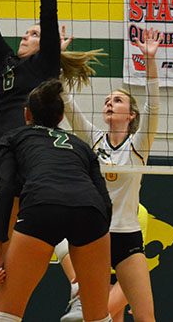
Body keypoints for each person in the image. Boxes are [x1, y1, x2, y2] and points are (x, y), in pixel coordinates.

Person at [0, 0, 101, 322]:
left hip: (34, 160)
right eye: (27, 34)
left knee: (25, 238)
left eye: (34, 34)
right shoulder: (6, 64)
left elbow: (49, 10)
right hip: (6, 160)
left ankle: (78, 283)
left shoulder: (45, 65)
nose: (28, 35)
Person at [0, 78, 113, 322]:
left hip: (42, 207)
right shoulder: (81, 146)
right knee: (98, 317)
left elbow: (5, 190)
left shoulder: (13, 138)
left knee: (6, 316)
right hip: (90, 211)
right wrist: (98, 243)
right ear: (61, 117)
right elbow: (104, 200)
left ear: (27, 114)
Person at [61, 28, 161, 322]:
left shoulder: (139, 144)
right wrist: (59, 56)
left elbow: (153, 105)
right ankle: (77, 292)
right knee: (98, 317)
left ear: (131, 115)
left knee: (145, 317)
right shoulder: (93, 138)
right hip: (95, 236)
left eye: (117, 100)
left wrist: (149, 61)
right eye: (107, 100)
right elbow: (66, 102)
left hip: (128, 237)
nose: (109, 103)